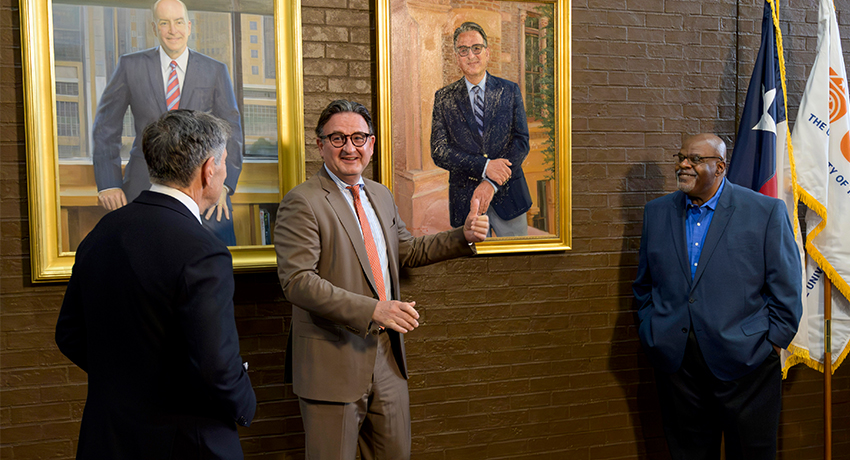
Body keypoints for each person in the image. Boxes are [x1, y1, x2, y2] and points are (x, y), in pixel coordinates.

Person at [275, 100, 489, 459]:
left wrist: (462, 236)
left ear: (371, 144)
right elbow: (298, 281)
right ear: (321, 145)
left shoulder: (380, 195)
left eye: (358, 138)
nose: (350, 148)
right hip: (332, 362)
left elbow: (407, 251)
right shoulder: (302, 202)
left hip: (388, 358)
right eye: (338, 138)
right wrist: (374, 310)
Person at [56, 110, 256, 460]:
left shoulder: (103, 231)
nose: (225, 171)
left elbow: (69, 334)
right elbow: (217, 367)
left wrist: (127, 382)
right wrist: (246, 405)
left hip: (107, 438)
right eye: (224, 161)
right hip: (186, 442)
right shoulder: (204, 251)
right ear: (208, 170)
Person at [632, 133, 803, 459]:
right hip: (677, 366)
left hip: (747, 364)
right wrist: (652, 330)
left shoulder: (764, 211)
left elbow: (787, 288)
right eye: (681, 157)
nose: (684, 165)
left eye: (695, 159)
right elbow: (644, 284)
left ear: (720, 167)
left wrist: (772, 343)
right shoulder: (657, 212)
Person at [92, 0, 242, 245]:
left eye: (179, 22)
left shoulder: (215, 70)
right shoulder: (130, 66)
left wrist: (224, 186)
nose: (173, 30)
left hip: (203, 185)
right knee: (139, 254)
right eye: (164, 23)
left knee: (216, 252)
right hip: (144, 183)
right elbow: (105, 127)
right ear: (154, 28)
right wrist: (108, 184)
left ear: (189, 27)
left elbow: (232, 131)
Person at [431, 21, 532, 237]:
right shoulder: (444, 98)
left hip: (510, 198)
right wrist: (484, 167)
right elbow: (439, 151)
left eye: (476, 48)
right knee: (472, 259)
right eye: (463, 50)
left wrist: (491, 183)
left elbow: (521, 142)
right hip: (466, 204)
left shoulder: (510, 91)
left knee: (517, 257)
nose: (471, 56)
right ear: (457, 57)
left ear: (487, 53)